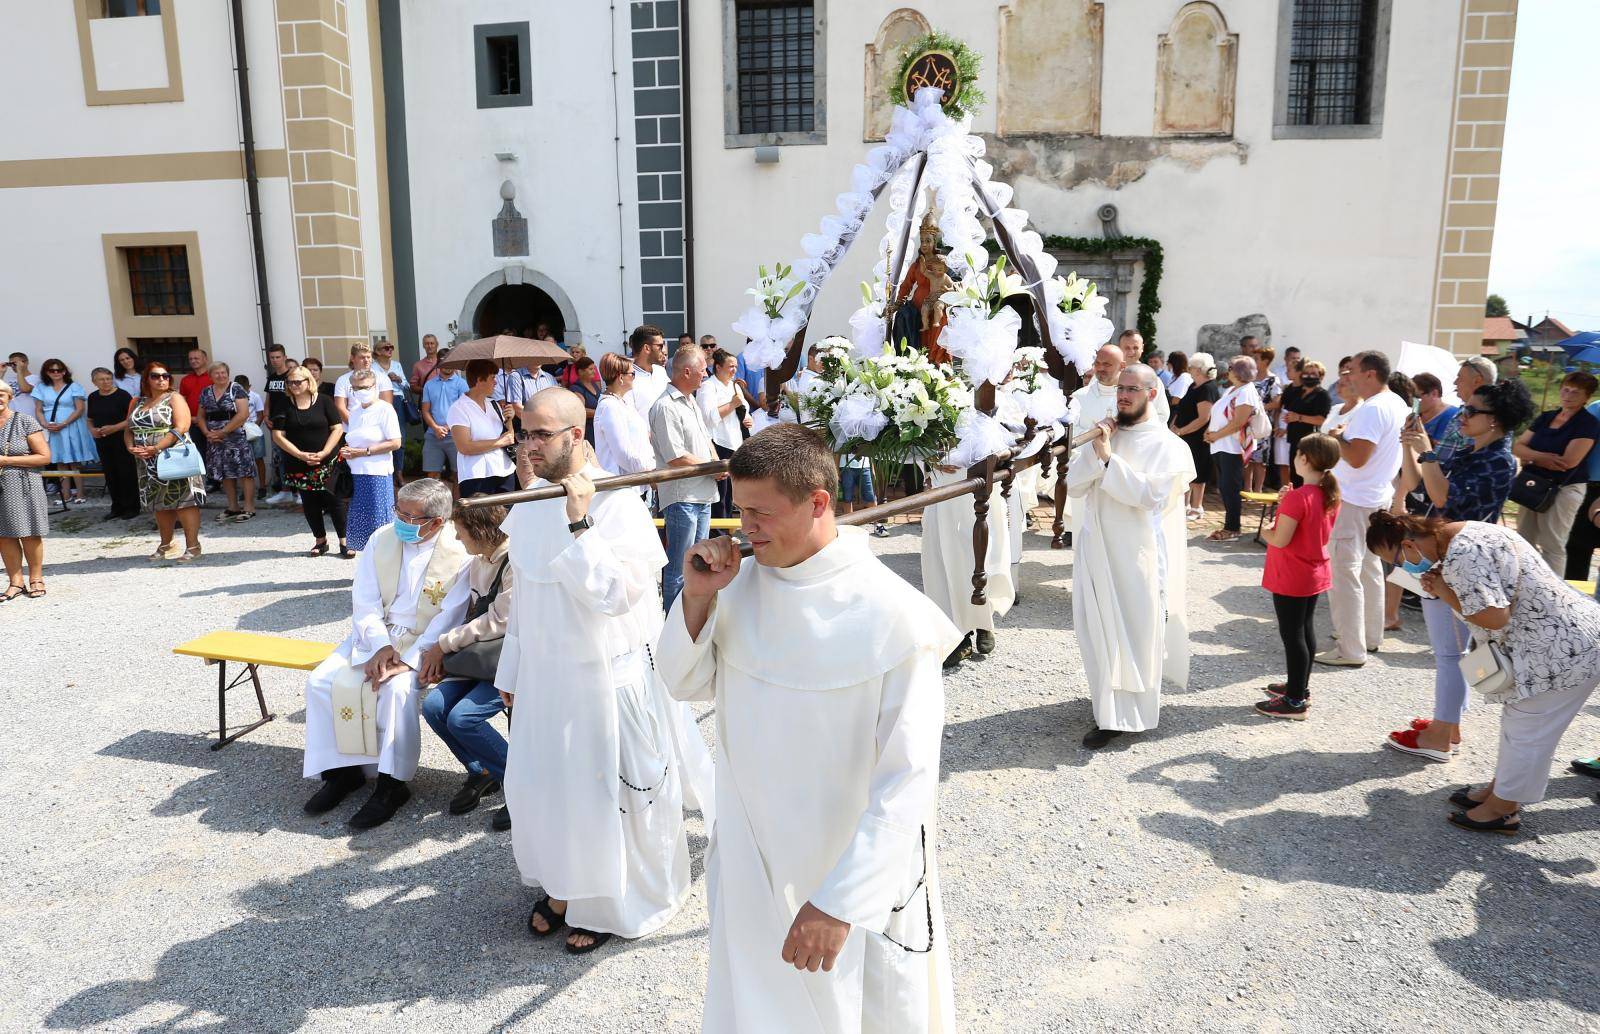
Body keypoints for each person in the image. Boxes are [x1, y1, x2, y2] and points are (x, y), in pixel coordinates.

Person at [657, 423, 960, 1033]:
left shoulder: (894, 616)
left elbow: (908, 779)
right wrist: (695, 599)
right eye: (739, 510)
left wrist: (842, 900)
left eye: (761, 513)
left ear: (819, 503)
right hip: (750, 854)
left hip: (840, 871)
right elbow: (682, 685)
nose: (744, 528)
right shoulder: (737, 585)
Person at [499, 388, 704, 955]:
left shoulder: (618, 503)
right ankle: (565, 887)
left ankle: (613, 898)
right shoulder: (529, 499)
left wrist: (579, 521)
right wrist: (511, 670)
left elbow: (615, 597)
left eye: (541, 434)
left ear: (577, 436)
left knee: (606, 793)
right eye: (524, 432)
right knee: (549, 787)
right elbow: (525, 598)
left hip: (604, 677)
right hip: (545, 677)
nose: (528, 445)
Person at [1365, 511, 1600, 834]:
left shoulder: (1463, 555)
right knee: (1518, 724)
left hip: (1559, 651)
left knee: (1528, 731)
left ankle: (1503, 809)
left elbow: (1494, 617)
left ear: (1407, 544)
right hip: (1558, 640)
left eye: (1396, 561)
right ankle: (1501, 790)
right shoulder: (1464, 534)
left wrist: (1446, 592)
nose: (1400, 569)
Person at [301, 479, 470, 829]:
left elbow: (452, 614)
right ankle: (342, 773)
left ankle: (392, 785)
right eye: (398, 511)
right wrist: (379, 644)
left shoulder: (460, 549)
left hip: (426, 640)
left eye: (411, 516)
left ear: (437, 521)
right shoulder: (382, 538)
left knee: (395, 690)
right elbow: (363, 600)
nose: (400, 521)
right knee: (321, 681)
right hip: (377, 633)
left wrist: (408, 660)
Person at [1382, 378, 1530, 761]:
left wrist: (1428, 451)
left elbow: (1443, 497)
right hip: (1447, 558)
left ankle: (1440, 735)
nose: (1462, 415)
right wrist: (1410, 449)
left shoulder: (1497, 460)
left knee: (1451, 654)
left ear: (1495, 420)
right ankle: (1451, 725)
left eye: (1471, 411)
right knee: (1460, 651)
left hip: (1457, 564)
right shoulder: (1473, 452)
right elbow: (1419, 487)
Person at [1068, 364, 1194, 748]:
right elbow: (1074, 486)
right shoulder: (1106, 435)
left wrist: (1108, 461)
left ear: (1152, 395)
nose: (1122, 395)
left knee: (1136, 631)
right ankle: (1105, 704)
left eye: (1132, 389)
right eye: (1120, 389)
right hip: (1096, 547)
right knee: (1096, 629)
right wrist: (1098, 451)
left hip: (1135, 554)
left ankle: (1128, 714)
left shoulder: (1169, 446)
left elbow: (1149, 496)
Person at [418, 499, 513, 830]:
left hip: (509, 662)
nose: (457, 540)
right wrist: (437, 651)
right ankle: (483, 771)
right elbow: (467, 612)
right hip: (478, 659)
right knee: (432, 707)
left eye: (460, 532)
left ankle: (521, 787)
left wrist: (443, 645)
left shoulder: (515, 562)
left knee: (463, 718)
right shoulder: (478, 560)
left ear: (481, 530)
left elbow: (500, 622)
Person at [1317, 350, 1410, 668]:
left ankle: (1350, 648)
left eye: (1352, 371)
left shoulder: (1373, 409)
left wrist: (1334, 439)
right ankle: (1370, 636)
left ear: (1370, 374)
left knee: (1344, 573)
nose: (1348, 377)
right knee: (1369, 569)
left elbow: (1357, 457)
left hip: (1355, 498)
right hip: (1374, 495)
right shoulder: (1397, 403)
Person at [1254, 434, 1341, 720]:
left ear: (1304, 458)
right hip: (1314, 571)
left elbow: (1279, 539)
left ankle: (1293, 701)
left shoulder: (1298, 497)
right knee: (1305, 631)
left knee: (1293, 636)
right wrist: (1285, 503)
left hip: (1293, 574)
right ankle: (1299, 687)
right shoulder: (1328, 494)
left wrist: (1266, 527)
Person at [920, 452, 1014, 668]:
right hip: (943, 483)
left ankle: (983, 622)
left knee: (977, 557)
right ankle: (955, 635)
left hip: (979, 481)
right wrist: (930, 460)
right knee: (943, 560)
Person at [650, 347, 721, 612]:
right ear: (687, 371)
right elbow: (675, 456)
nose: (706, 373)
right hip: (683, 496)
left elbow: (705, 440)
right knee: (680, 567)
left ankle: (693, 617)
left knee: (697, 565)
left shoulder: (690, 400)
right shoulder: (665, 406)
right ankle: (672, 625)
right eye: (703, 369)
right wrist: (712, 466)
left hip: (700, 492)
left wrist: (716, 464)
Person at [1512, 371, 1599, 574]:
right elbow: (1518, 447)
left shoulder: (1588, 423)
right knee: (1524, 539)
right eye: (1565, 390)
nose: (1568, 395)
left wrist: (1532, 456)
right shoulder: (1546, 417)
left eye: (1575, 392)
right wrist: (1543, 457)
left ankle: (1553, 594)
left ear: (1586, 397)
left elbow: (1569, 461)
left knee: (1552, 543)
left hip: (1564, 487)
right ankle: (1525, 584)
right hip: (1534, 484)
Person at [126, 363, 205, 562]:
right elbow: (129, 429)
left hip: (173, 455)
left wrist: (157, 447)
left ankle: (193, 546)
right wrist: (130, 447)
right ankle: (166, 544)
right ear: (146, 379)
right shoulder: (136, 401)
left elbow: (182, 426)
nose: (162, 379)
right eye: (155, 376)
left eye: (166, 375)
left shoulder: (174, 398)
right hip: (146, 460)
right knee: (159, 503)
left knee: (183, 501)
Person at [273, 366, 350, 557]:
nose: (294, 385)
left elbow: (337, 428)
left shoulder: (324, 401)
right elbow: (278, 435)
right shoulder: (283, 404)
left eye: (298, 381)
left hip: (328, 461)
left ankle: (345, 541)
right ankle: (320, 541)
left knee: (336, 500)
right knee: (310, 502)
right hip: (299, 462)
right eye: (290, 382)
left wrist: (324, 452)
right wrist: (300, 454)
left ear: (309, 382)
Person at [339, 369, 402, 551]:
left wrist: (363, 452)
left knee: (380, 522)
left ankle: (385, 567)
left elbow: (395, 442)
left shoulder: (385, 409)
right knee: (361, 522)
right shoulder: (356, 411)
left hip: (377, 474)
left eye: (365, 387)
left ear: (375, 386)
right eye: (356, 388)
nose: (361, 391)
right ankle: (367, 568)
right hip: (356, 474)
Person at [0, 381, 51, 601]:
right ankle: (15, 582)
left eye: (0, 394)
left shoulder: (24, 421)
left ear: (9, 397)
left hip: (23, 484)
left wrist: (5, 460)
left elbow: (44, 456)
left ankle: (36, 578)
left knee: (29, 533)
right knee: (3, 535)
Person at [1202, 355, 1261, 541]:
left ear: (1240, 371)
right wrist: (1209, 432)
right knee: (1224, 486)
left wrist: (1215, 435)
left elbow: (1239, 422)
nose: (1228, 370)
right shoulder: (1231, 390)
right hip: (1220, 445)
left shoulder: (1247, 391)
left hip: (1232, 446)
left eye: (1231, 367)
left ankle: (1233, 527)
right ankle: (1230, 525)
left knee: (1230, 487)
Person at [197, 361, 257, 523]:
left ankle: (249, 507)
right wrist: (207, 433)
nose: (221, 375)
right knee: (224, 472)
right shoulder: (205, 392)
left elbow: (243, 414)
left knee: (244, 471)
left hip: (235, 437)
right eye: (217, 373)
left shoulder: (236, 389)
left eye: (223, 372)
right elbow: (201, 415)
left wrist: (223, 432)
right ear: (210, 376)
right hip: (214, 439)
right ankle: (233, 507)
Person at [449, 359, 518, 498]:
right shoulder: (458, 408)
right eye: (492, 378)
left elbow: (509, 437)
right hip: (476, 476)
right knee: (480, 519)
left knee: (508, 518)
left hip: (504, 471)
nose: (496, 382)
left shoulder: (494, 404)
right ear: (480, 380)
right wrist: (499, 442)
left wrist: (510, 419)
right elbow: (465, 447)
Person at [697, 348, 752, 519]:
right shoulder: (708, 386)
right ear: (718, 367)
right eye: (730, 366)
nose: (734, 370)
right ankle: (717, 532)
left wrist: (748, 419)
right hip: (718, 443)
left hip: (735, 442)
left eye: (735, 366)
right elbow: (707, 417)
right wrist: (731, 405)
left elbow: (745, 410)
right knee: (720, 494)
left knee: (731, 495)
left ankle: (727, 530)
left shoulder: (735, 386)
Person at [33, 358, 95, 506]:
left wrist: (64, 423)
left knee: (74, 461)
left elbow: (80, 409)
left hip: (71, 426)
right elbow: (38, 409)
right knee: (60, 461)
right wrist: (44, 424)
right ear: (46, 372)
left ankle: (80, 493)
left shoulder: (74, 386)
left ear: (64, 371)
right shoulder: (40, 388)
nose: (56, 373)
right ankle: (65, 495)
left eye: (59, 370)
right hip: (51, 427)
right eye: (52, 370)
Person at [594, 352, 656, 488]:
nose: (635, 377)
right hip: (623, 486)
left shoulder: (621, 402)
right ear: (620, 377)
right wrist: (652, 471)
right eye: (632, 374)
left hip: (638, 481)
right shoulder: (609, 406)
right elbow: (623, 454)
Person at [1170, 352, 1219, 520]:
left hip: (1198, 437)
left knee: (1199, 472)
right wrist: (1174, 427)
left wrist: (1182, 431)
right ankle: (1185, 504)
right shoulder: (1193, 386)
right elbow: (1182, 407)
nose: (1189, 370)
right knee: (1186, 470)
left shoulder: (1208, 388)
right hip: (1185, 436)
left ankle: (1197, 507)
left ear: (1198, 369)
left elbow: (1204, 418)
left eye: (1191, 367)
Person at [87, 367, 139, 520]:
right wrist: (92, 430)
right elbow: (90, 418)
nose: (106, 382)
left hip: (122, 439)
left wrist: (113, 428)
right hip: (103, 441)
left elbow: (131, 419)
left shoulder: (122, 395)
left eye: (108, 378)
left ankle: (132, 506)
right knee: (110, 474)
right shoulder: (93, 397)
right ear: (94, 382)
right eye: (101, 379)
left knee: (126, 473)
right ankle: (117, 506)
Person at [1563, 391, 1600, 582]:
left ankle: (1575, 602)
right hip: (1590, 487)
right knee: (1577, 549)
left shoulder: (1597, 408)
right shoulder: (1597, 408)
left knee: (1578, 549)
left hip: (1591, 487)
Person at [420, 349, 467, 487]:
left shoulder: (461, 384)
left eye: (451, 362)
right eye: (445, 362)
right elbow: (425, 411)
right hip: (433, 435)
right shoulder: (429, 384)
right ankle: (433, 507)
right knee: (431, 476)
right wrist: (435, 428)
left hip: (456, 435)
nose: (448, 365)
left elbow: (463, 410)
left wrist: (445, 428)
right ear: (439, 363)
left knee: (458, 475)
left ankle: (457, 508)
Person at [1281, 359, 1333, 486]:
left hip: (1309, 441)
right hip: (1294, 439)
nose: (1309, 376)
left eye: (1313, 374)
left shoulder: (1322, 395)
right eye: (1306, 373)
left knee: (1305, 474)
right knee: (1294, 473)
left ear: (1320, 376)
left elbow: (1321, 419)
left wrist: (1298, 417)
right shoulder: (1299, 392)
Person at [1247, 347, 1280, 492]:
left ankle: (1258, 489)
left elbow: (1277, 401)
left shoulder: (1273, 380)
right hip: (1247, 423)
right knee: (1248, 457)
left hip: (1262, 423)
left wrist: (1259, 409)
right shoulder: (1250, 378)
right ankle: (1246, 489)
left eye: (1257, 359)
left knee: (1260, 459)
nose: (1254, 362)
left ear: (1266, 361)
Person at [334, 342, 393, 423]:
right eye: (362, 357)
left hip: (376, 426)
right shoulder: (343, 380)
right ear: (352, 358)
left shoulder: (382, 378)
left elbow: (387, 405)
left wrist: (371, 426)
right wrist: (354, 425)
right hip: (351, 427)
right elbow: (340, 407)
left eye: (368, 357)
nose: (366, 360)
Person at [1117, 329, 1168, 421]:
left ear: (1142, 348)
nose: (1131, 352)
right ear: (1119, 348)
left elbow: (1162, 414)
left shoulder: (1152, 379)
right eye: (1127, 348)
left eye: (1135, 347)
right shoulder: (1110, 374)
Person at [629, 324, 670, 424]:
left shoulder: (661, 371)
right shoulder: (627, 377)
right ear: (647, 348)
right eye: (659, 346)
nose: (663, 349)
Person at [236, 374, 269, 490]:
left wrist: (253, 429)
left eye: (244, 389)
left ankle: (262, 486)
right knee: (242, 461)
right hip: (239, 431)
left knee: (258, 459)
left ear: (249, 387)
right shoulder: (232, 398)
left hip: (254, 432)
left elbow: (260, 414)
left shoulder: (255, 397)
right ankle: (246, 489)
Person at [177, 347, 211, 432]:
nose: (193, 361)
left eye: (196, 358)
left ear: (205, 359)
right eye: (190, 359)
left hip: (211, 421)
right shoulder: (185, 379)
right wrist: (189, 418)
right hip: (191, 422)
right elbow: (182, 402)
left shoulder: (213, 377)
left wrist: (201, 419)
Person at [569, 355, 603, 440]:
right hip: (589, 431)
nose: (594, 372)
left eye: (594, 369)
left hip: (599, 428)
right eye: (590, 369)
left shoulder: (594, 384)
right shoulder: (576, 389)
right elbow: (581, 410)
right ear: (581, 371)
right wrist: (601, 413)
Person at [4, 352, 40, 422]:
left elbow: (25, 389)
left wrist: (19, 370)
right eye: (10, 364)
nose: (13, 367)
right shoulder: (11, 380)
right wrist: (1, 373)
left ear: (26, 363)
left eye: (15, 364)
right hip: (11, 419)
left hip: (29, 419)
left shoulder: (36, 379)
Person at [408, 333, 441, 398]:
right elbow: (413, 386)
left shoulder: (445, 361)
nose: (430, 346)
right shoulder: (418, 365)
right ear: (423, 346)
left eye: (432, 343)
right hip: (427, 401)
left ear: (437, 345)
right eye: (427, 344)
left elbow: (455, 380)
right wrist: (426, 390)